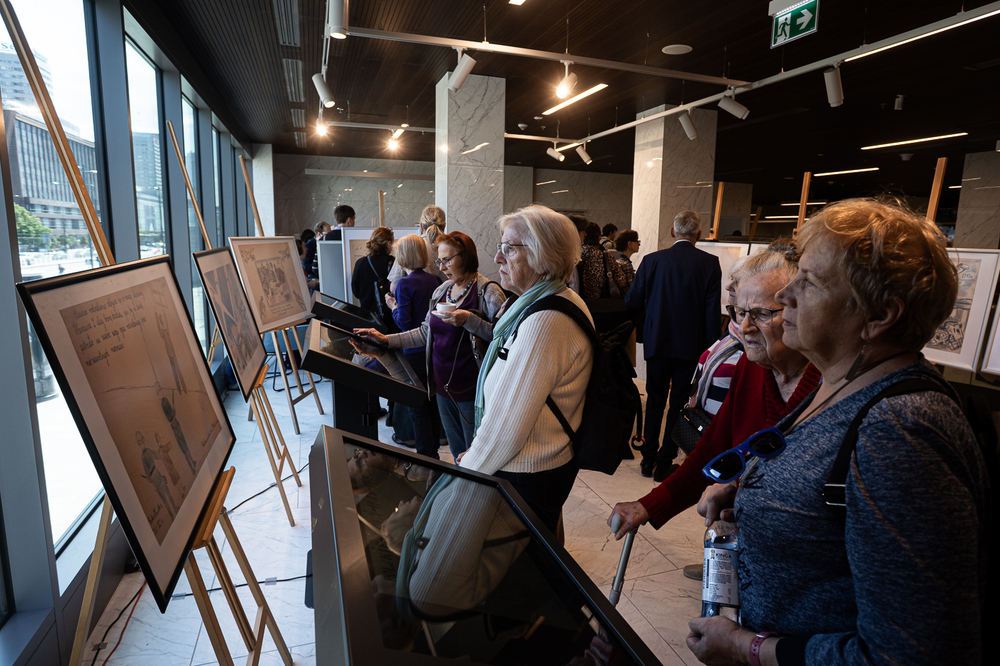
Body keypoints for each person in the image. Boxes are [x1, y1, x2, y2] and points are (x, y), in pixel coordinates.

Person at [687, 199, 989, 666]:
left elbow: (909, 654)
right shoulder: (843, 384)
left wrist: (747, 647)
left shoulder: (899, 431)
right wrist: (747, 490)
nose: (785, 294)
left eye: (809, 281)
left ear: (878, 315)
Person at [607, 247, 820, 542]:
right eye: (740, 313)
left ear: (800, 310)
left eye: (762, 314)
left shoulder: (828, 384)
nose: (745, 327)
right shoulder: (751, 366)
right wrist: (648, 505)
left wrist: (737, 488)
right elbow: (712, 449)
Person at [455, 205, 594, 532]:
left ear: (544, 257)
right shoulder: (544, 301)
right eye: (500, 247)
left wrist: (468, 472)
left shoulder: (545, 321)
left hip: (526, 473)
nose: (498, 258)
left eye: (509, 249)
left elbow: (507, 428)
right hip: (534, 465)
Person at [355, 231, 506, 458]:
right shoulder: (442, 290)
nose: (442, 267)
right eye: (439, 260)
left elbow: (503, 340)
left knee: (476, 456)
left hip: (473, 392)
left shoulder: (488, 292)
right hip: (442, 388)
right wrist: (386, 340)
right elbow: (425, 332)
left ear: (465, 256)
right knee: (457, 451)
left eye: (447, 260)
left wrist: (469, 321)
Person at [626, 210, 721, 481]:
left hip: (657, 342)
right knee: (679, 403)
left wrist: (649, 321)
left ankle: (647, 459)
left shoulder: (652, 260)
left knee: (655, 399)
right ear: (699, 234)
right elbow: (711, 312)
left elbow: (632, 300)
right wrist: (712, 351)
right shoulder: (710, 263)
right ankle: (664, 461)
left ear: (672, 231)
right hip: (692, 347)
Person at [383, 234, 442, 458]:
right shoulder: (434, 280)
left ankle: (426, 457)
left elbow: (405, 323)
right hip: (432, 348)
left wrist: (393, 307)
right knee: (432, 404)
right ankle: (433, 453)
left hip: (414, 350)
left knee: (417, 407)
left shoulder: (404, 284)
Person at [388, 204, 447, 289]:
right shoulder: (453, 246)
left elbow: (394, 287)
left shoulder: (409, 244)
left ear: (421, 225)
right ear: (444, 226)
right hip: (447, 296)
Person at [351, 226, 394, 318]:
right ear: (389, 243)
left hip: (366, 315)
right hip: (388, 317)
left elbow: (356, 291)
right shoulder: (393, 263)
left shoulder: (360, 263)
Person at [580, 221, 627, 299]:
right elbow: (621, 280)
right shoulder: (606, 256)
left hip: (581, 300)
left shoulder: (577, 255)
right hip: (602, 300)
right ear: (599, 237)